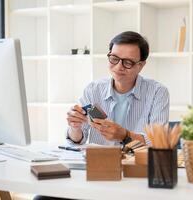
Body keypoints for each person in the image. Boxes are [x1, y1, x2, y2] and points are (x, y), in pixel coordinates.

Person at [34, 31, 169, 200]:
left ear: (141, 65)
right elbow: (77, 140)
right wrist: (74, 126)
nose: (119, 67)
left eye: (127, 62)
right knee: (43, 198)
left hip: (136, 176)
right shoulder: (93, 89)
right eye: (114, 58)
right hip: (96, 171)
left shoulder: (157, 92)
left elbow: (159, 145)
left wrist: (125, 135)